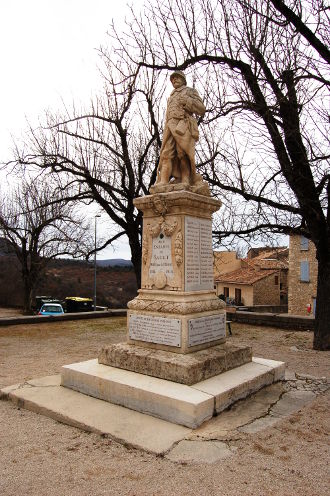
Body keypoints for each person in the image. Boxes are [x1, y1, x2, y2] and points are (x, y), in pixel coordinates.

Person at [156, 71, 206, 186]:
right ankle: (163, 181)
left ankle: (185, 180)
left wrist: (187, 101)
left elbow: (201, 109)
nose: (174, 80)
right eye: (172, 79)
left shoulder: (190, 91)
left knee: (182, 153)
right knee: (165, 154)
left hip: (183, 126)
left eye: (177, 78)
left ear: (183, 79)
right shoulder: (172, 95)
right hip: (169, 127)